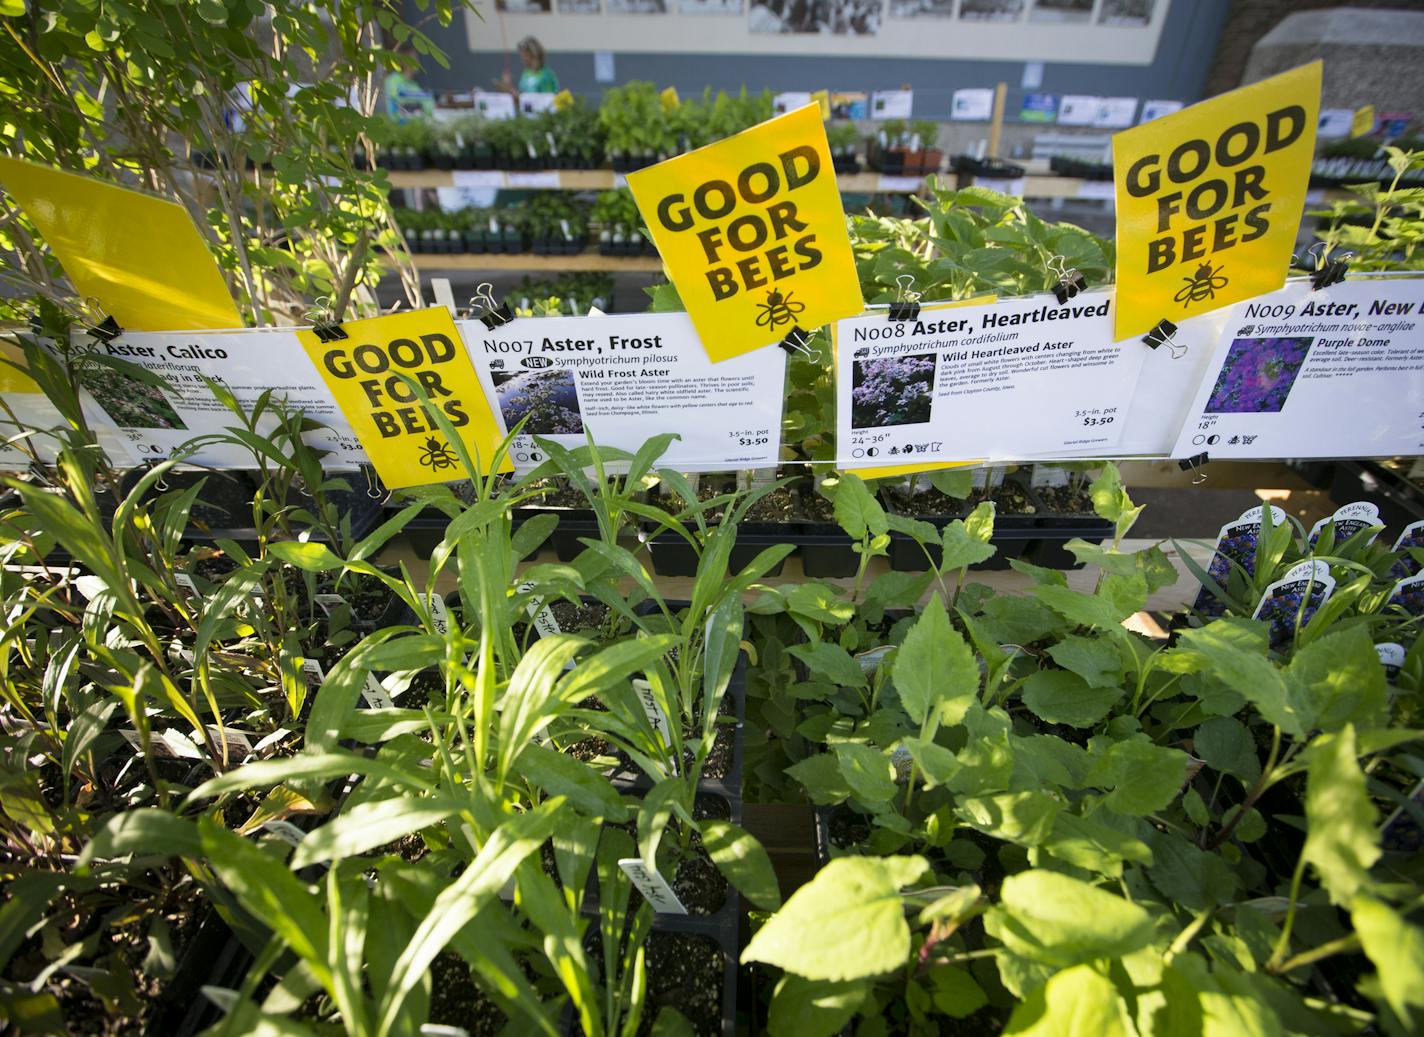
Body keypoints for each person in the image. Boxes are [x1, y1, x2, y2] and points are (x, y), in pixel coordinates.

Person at [383, 48, 434, 122]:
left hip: (416, 124)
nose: (418, 62)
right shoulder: (393, 79)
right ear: (403, 62)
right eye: (414, 59)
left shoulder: (414, 84)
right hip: (399, 126)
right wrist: (423, 96)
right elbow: (398, 97)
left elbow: (429, 105)